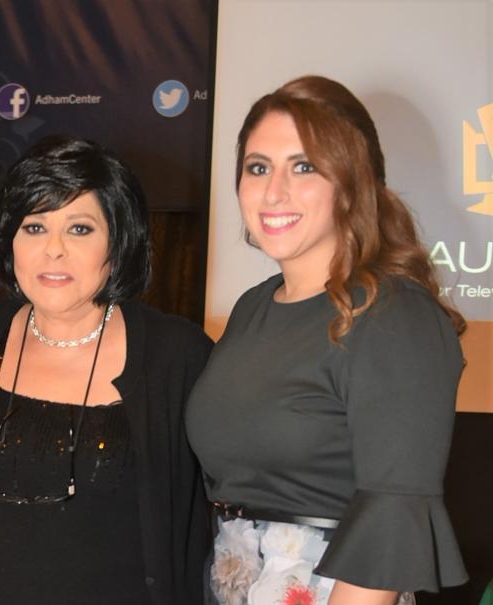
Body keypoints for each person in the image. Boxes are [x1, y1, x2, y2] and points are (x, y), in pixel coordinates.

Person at [185, 75, 468, 605]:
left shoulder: (393, 314)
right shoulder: (253, 307)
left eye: (305, 167)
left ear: (351, 183)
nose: (274, 192)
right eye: (258, 167)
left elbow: (393, 513)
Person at [0, 136, 213, 605]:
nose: (53, 250)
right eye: (35, 228)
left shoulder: (176, 356)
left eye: (79, 229)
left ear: (119, 240)